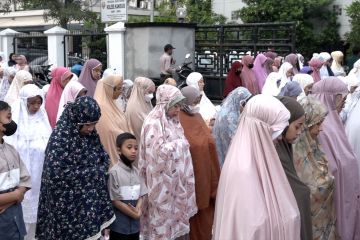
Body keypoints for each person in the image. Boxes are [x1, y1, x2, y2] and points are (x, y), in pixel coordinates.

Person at [213, 95, 300, 240]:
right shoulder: (242, 169)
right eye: (276, 130)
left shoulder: (260, 158)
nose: (279, 137)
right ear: (261, 128)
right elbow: (251, 228)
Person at [35, 96, 115, 240]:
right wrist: (95, 172)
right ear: (76, 120)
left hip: (88, 205)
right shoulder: (60, 138)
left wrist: (99, 167)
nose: (91, 129)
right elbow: (56, 174)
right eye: (87, 125)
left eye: (94, 124)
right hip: (66, 207)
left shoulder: (90, 134)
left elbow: (103, 156)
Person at [138, 85, 197, 240]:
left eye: (179, 106)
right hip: (161, 185)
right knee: (161, 223)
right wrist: (179, 145)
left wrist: (180, 145)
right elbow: (157, 154)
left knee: (176, 223)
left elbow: (181, 143)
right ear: (165, 104)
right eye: (175, 106)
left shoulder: (173, 121)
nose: (178, 110)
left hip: (176, 184)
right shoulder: (153, 123)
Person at [311, 77, 360, 240]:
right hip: (335, 198)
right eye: (342, 98)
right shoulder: (321, 128)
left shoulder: (333, 122)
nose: (345, 103)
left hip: (345, 193)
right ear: (330, 97)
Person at [5, 84, 51, 240]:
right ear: (24, 102)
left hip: (39, 176)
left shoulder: (43, 122)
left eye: (39, 102)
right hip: (20, 178)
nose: (36, 106)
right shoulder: (15, 124)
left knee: (39, 210)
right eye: (32, 103)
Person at [179, 86, 220, 240]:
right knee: (195, 213)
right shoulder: (178, 119)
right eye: (194, 101)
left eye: (198, 101)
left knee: (206, 214)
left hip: (207, 172)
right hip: (194, 174)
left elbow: (207, 139)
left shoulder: (197, 116)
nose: (196, 104)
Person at [293, 97, 337, 239]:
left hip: (325, 221)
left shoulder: (313, 144)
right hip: (311, 224)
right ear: (306, 124)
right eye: (317, 124)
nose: (321, 128)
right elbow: (305, 189)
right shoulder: (296, 152)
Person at [275, 96, 312, 240]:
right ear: (284, 124)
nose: (300, 131)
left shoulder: (284, 146)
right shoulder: (277, 151)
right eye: (297, 126)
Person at [0, 100, 31, 240]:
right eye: (8, 117)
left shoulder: (11, 150)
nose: (11, 122)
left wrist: (17, 195)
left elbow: (25, 180)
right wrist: (15, 197)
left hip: (15, 217)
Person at [108, 133, 148, 240]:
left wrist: (138, 209)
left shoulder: (137, 172)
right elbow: (115, 201)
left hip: (135, 228)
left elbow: (141, 194)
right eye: (129, 147)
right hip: (119, 228)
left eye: (136, 148)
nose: (133, 151)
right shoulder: (114, 173)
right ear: (119, 150)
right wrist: (134, 214)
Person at [94, 74, 132, 166]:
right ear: (110, 89)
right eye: (119, 89)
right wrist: (125, 136)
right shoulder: (102, 106)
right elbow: (109, 131)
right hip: (112, 149)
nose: (120, 92)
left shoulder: (113, 103)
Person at [212, 87, 252, 167]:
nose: (245, 107)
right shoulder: (230, 117)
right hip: (229, 153)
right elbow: (235, 140)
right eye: (244, 104)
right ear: (238, 101)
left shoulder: (228, 110)